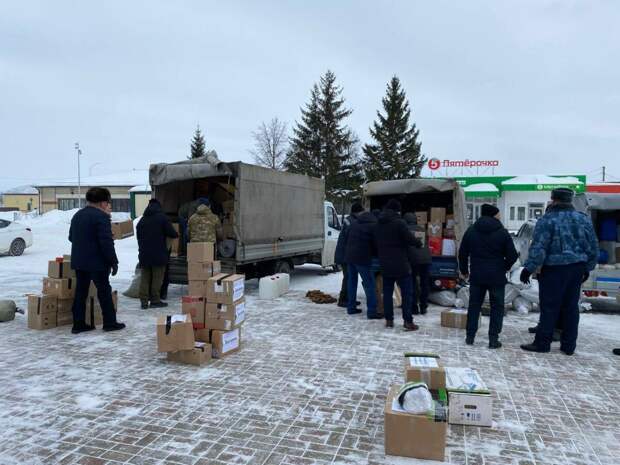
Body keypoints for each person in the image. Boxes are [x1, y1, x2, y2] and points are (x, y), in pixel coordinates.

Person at [520, 188, 598, 355]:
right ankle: (568, 346)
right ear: (570, 200)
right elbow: (593, 246)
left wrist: (529, 268)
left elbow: (539, 247)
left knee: (549, 307)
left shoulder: (547, 220)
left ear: (554, 199)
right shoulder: (583, 219)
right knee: (571, 307)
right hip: (577, 268)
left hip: (554, 269)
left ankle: (542, 343)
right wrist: (587, 267)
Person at [458, 204, 518, 348]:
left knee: (474, 306)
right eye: (498, 214)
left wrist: (464, 270)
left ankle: (470, 336)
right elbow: (513, 255)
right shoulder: (502, 232)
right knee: (497, 307)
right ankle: (493, 339)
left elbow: (462, 253)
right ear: (493, 215)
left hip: (477, 275)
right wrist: (504, 267)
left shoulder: (471, 231)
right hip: (496, 276)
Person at [68, 187, 125, 334]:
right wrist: (113, 261)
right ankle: (110, 323)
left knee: (81, 292)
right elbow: (106, 243)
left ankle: (78, 324)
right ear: (102, 202)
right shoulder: (101, 217)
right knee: (104, 291)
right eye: (107, 202)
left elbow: (71, 237)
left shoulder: (77, 215)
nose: (107, 205)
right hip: (97, 263)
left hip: (80, 261)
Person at [375, 199, 420, 331]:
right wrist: (418, 242)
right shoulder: (400, 223)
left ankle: (389, 320)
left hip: (385, 263)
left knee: (387, 293)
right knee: (407, 293)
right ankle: (408, 321)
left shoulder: (379, 223)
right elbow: (409, 238)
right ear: (397, 210)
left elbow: (375, 241)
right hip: (401, 264)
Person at [136, 199, 179, 309]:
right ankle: (155, 300)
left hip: (144, 254)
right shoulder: (162, 218)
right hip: (158, 254)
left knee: (145, 278)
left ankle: (144, 301)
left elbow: (138, 237)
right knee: (157, 278)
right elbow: (172, 233)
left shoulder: (142, 220)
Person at [344, 207, 380, 318]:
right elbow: (376, 244)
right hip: (363, 259)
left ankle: (351, 308)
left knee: (352, 282)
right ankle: (372, 311)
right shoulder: (373, 225)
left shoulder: (354, 224)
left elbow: (346, 237)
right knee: (370, 284)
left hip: (350, 257)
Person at [335, 203, 364, 309]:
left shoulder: (351, 220)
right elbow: (351, 238)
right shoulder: (351, 222)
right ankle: (342, 300)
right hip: (345, 254)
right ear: (357, 212)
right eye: (361, 212)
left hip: (346, 253)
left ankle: (349, 298)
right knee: (347, 277)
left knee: (350, 277)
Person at [403, 213, 432, 315]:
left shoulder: (405, 230)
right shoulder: (422, 229)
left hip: (413, 260)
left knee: (412, 283)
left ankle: (414, 307)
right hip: (426, 259)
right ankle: (423, 306)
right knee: (424, 283)